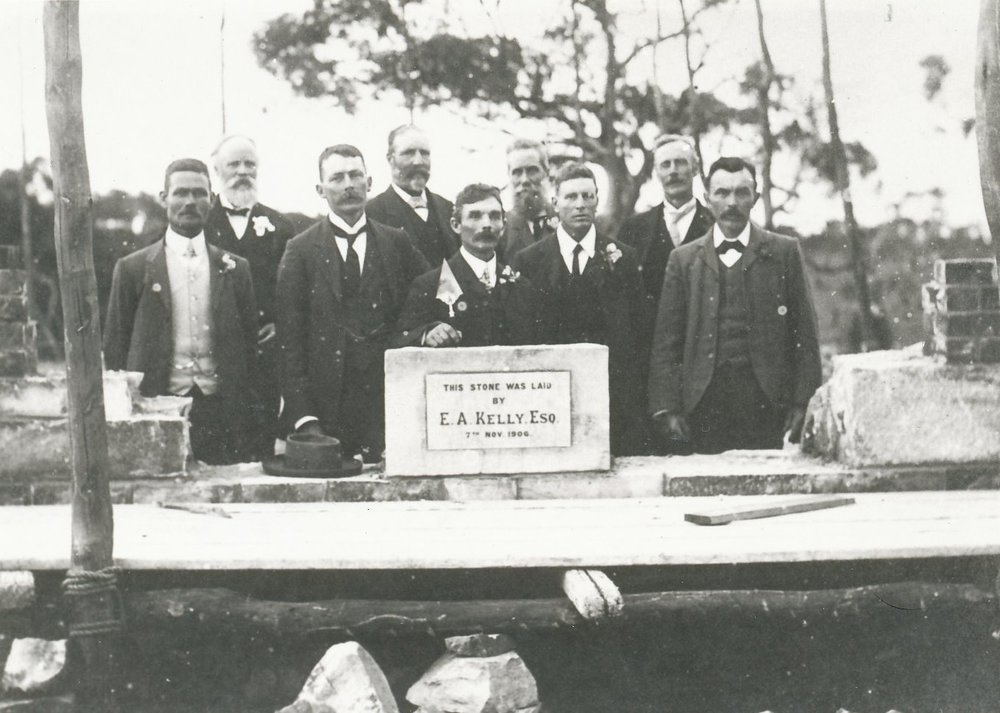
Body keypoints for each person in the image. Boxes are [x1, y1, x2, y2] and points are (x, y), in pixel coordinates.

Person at [648, 156, 822, 454]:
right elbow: (667, 340)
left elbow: (805, 334)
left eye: (742, 192)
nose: (732, 202)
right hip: (701, 403)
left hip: (766, 402)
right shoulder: (684, 259)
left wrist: (802, 400)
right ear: (707, 198)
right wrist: (667, 406)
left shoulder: (783, 252)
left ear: (755, 197)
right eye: (722, 193)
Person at [276, 144, 430, 462]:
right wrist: (305, 419)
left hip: (386, 406)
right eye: (337, 178)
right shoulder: (300, 250)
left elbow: (433, 292)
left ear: (369, 183)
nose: (348, 185)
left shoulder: (396, 242)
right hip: (326, 413)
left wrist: (428, 328)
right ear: (321, 189)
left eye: (355, 175)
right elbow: (289, 344)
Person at [104, 158, 258, 465]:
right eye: (180, 193)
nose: (190, 202)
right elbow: (115, 349)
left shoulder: (236, 268)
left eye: (199, 193)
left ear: (212, 200)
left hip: (221, 413)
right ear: (164, 199)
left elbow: (249, 347)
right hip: (157, 408)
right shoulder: (133, 268)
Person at [512, 162, 644, 455]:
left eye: (588, 196)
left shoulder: (623, 258)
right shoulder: (529, 261)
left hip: (612, 397)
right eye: (571, 197)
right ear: (555, 203)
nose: (580, 205)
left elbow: (637, 333)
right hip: (551, 397)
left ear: (597, 199)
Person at [617, 134, 714, 453]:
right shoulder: (634, 229)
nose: (673, 171)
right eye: (665, 165)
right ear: (656, 173)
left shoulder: (716, 225)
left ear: (696, 169)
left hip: (706, 363)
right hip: (652, 364)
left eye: (681, 163)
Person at [205, 134, 295, 459]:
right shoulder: (198, 225)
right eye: (234, 164)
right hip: (210, 356)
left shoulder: (281, 227)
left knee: (260, 448)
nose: (243, 171)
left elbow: (293, 290)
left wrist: (280, 325)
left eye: (250, 164)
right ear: (216, 169)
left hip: (262, 356)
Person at [395, 183, 538, 348]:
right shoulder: (429, 285)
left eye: (494, 216)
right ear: (456, 225)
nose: (487, 224)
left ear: (504, 226)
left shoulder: (522, 287)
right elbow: (401, 338)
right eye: (475, 216)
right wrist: (427, 334)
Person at [365, 124, 459, 266]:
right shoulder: (372, 213)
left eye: (425, 153)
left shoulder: (448, 208)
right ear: (390, 159)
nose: (418, 161)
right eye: (408, 153)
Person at [498, 138, 557, 260]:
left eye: (532, 170)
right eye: (517, 172)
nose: (524, 180)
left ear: (546, 172)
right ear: (509, 175)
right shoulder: (501, 228)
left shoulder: (565, 221)